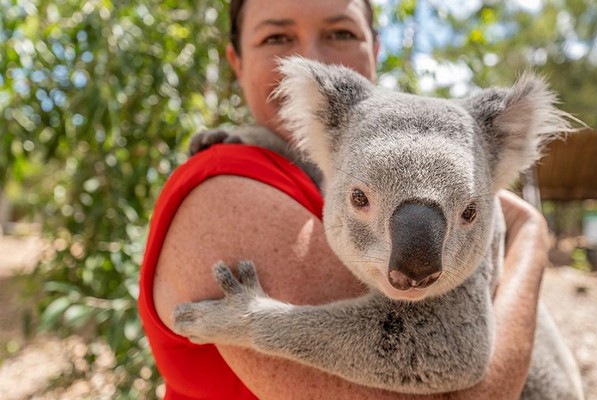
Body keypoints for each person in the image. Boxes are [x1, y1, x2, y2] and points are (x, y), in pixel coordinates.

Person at [138, 0, 553, 398]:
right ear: (235, 61)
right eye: (276, 38)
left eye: (341, 32)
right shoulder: (225, 193)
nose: (312, 52)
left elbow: (450, 353)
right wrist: (530, 242)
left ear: (374, 49)